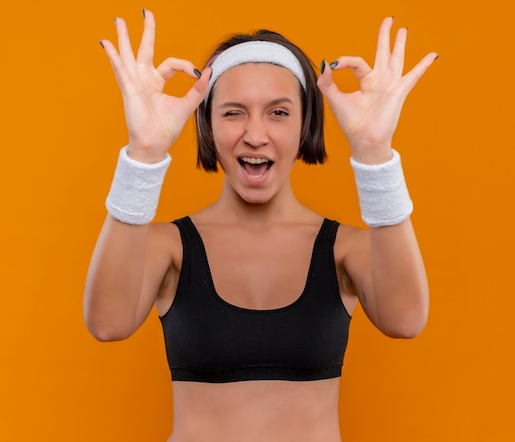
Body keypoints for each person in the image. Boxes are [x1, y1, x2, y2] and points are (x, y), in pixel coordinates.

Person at [85, 8, 437, 441]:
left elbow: (406, 319)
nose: (255, 134)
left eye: (278, 113)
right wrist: (143, 154)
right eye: (233, 113)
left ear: (305, 122)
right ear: (207, 126)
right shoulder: (168, 247)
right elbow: (106, 323)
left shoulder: (346, 249)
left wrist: (374, 153)